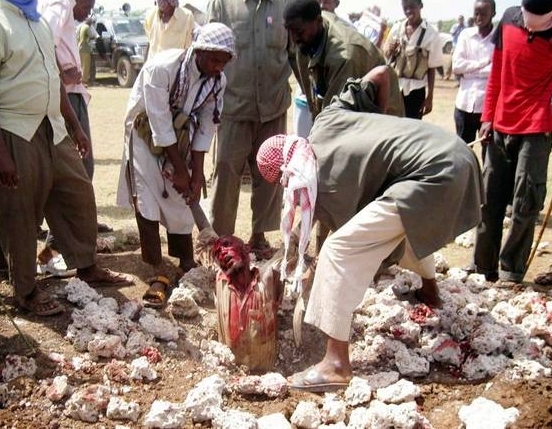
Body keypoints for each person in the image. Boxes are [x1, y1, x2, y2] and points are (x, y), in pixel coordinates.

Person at [256, 67, 483, 392]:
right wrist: (381, 129)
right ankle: (430, 292)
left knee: (338, 251)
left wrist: (303, 271)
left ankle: (335, 365)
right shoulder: (328, 120)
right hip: (454, 151)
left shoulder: (326, 187)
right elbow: (381, 74)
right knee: (398, 223)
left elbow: (351, 245)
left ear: (287, 176)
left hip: (434, 175)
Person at [0, 0, 134, 317]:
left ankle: (86, 266)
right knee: (21, 211)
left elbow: (54, 78)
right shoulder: (2, 21)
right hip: (16, 128)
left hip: (54, 126)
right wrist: (2, 155)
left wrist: (75, 126)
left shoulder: (38, 22)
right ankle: (26, 290)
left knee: (78, 192)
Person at [116, 23, 235, 307]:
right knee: (147, 201)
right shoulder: (161, 69)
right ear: (199, 51)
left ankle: (185, 262)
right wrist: (180, 170)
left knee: (182, 203)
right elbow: (159, 123)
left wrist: (196, 175)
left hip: (181, 134)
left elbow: (206, 127)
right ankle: (157, 268)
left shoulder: (217, 81)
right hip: (145, 132)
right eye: (214, 60)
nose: (219, 67)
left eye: (224, 62)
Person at [472, 0, 552, 284]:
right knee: (489, 197)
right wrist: (487, 117)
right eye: (529, 20)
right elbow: (497, 71)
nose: (531, 26)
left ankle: (510, 271)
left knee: (525, 201)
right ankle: (482, 267)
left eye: (540, 23)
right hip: (500, 123)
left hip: (538, 127)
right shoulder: (508, 19)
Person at [207, 0, 291, 256]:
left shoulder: (285, 5)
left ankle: (259, 235)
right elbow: (209, 50)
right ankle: (222, 239)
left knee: (271, 171)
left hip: (274, 103)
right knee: (226, 168)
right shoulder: (222, 4)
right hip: (234, 104)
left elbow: (297, 50)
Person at [284, 0, 401, 121]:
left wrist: (320, 126)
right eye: (289, 30)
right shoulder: (304, 37)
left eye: (299, 32)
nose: (293, 38)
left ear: (318, 21)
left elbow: (335, 118)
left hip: (382, 113)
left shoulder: (343, 57)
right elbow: (314, 101)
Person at [383, 0, 443, 119]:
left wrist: (430, 97)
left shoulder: (431, 33)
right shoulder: (397, 28)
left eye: (412, 7)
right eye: (405, 8)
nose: (408, 11)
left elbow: (431, 68)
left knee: (412, 126)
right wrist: (390, 49)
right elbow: (387, 55)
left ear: (421, 6)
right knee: (392, 124)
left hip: (416, 90)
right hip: (395, 87)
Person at [451, 0, 495, 152]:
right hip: (464, 105)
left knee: (489, 154)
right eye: (476, 13)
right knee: (462, 152)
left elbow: (498, 70)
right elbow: (457, 66)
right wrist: (484, 64)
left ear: (493, 14)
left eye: (483, 14)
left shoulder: (499, 38)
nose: (479, 17)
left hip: (487, 108)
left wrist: (469, 71)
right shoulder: (465, 35)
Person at [77, 16, 97, 86]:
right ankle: (84, 81)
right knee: (86, 66)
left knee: (81, 65)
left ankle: (81, 80)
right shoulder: (87, 27)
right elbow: (92, 36)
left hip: (80, 48)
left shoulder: (81, 26)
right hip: (85, 48)